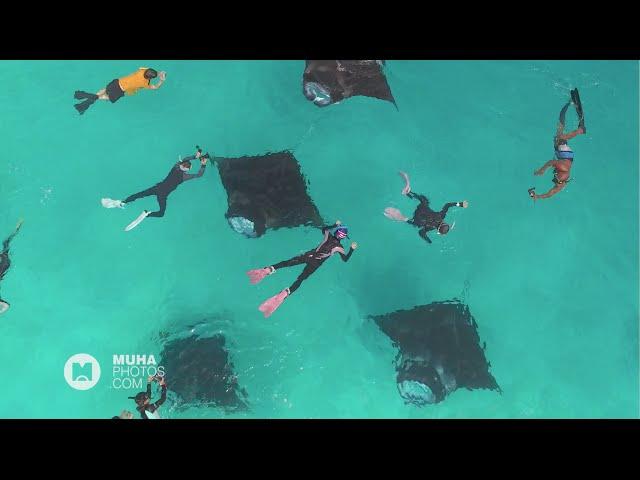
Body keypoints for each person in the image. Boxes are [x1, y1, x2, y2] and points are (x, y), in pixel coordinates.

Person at [247, 221, 358, 318]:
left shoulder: (327, 236)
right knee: (300, 279)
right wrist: (352, 249)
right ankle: (286, 293)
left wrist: (334, 224)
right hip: (315, 263)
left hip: (308, 255)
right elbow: (345, 259)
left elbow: (324, 228)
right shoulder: (339, 248)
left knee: (287, 263)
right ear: (343, 237)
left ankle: (268, 269)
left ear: (336, 231)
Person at [101, 147, 209, 231]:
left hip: (157, 188)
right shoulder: (184, 177)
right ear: (187, 169)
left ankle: (123, 202)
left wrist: (196, 156)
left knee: (139, 194)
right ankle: (147, 214)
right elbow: (198, 175)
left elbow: (185, 159)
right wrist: (203, 164)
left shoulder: (176, 166)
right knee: (161, 213)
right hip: (163, 194)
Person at [529, 88, 586, 201]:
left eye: (554, 179)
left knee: (558, 132)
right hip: (565, 155)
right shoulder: (563, 170)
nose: (554, 177)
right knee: (560, 137)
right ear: (562, 179)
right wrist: (542, 170)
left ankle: (568, 104)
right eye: (556, 178)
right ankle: (580, 131)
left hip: (562, 156)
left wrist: (537, 196)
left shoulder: (561, 184)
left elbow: (550, 194)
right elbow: (551, 162)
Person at [384, 172, 468, 244]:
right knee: (414, 223)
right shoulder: (430, 227)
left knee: (424, 201)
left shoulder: (441, 216)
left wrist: (460, 204)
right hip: (417, 218)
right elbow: (421, 233)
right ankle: (401, 217)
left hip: (422, 208)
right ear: (438, 231)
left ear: (444, 222)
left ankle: (409, 192)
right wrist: (428, 241)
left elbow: (448, 205)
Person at [73, 67, 166, 115]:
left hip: (117, 82)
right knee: (107, 98)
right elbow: (155, 87)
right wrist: (161, 80)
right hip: (120, 90)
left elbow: (150, 71)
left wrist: (158, 73)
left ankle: (88, 97)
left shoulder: (142, 70)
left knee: (104, 89)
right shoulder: (144, 83)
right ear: (150, 78)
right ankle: (86, 102)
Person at [0, 220, 23, 316]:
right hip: (3, 268)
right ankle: (17, 228)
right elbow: (6, 306)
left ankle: (17, 228)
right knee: (5, 245)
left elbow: (6, 306)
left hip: (3, 268)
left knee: (6, 248)